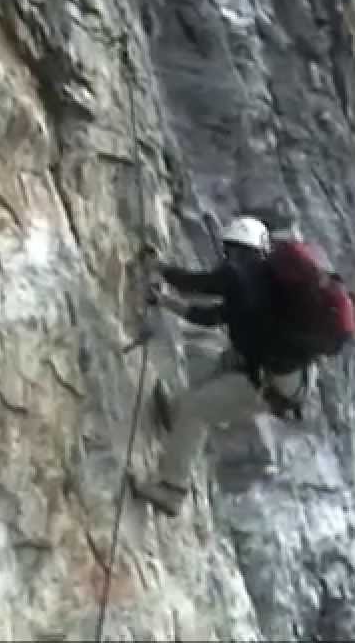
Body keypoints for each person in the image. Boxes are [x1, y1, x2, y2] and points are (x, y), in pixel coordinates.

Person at [130, 215, 315, 517]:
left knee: (198, 408)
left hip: (268, 383)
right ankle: (175, 417)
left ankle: (172, 489)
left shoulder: (238, 275)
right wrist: (164, 301)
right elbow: (212, 316)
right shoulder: (263, 283)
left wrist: (159, 268)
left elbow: (197, 285)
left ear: (231, 249)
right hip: (287, 378)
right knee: (216, 366)